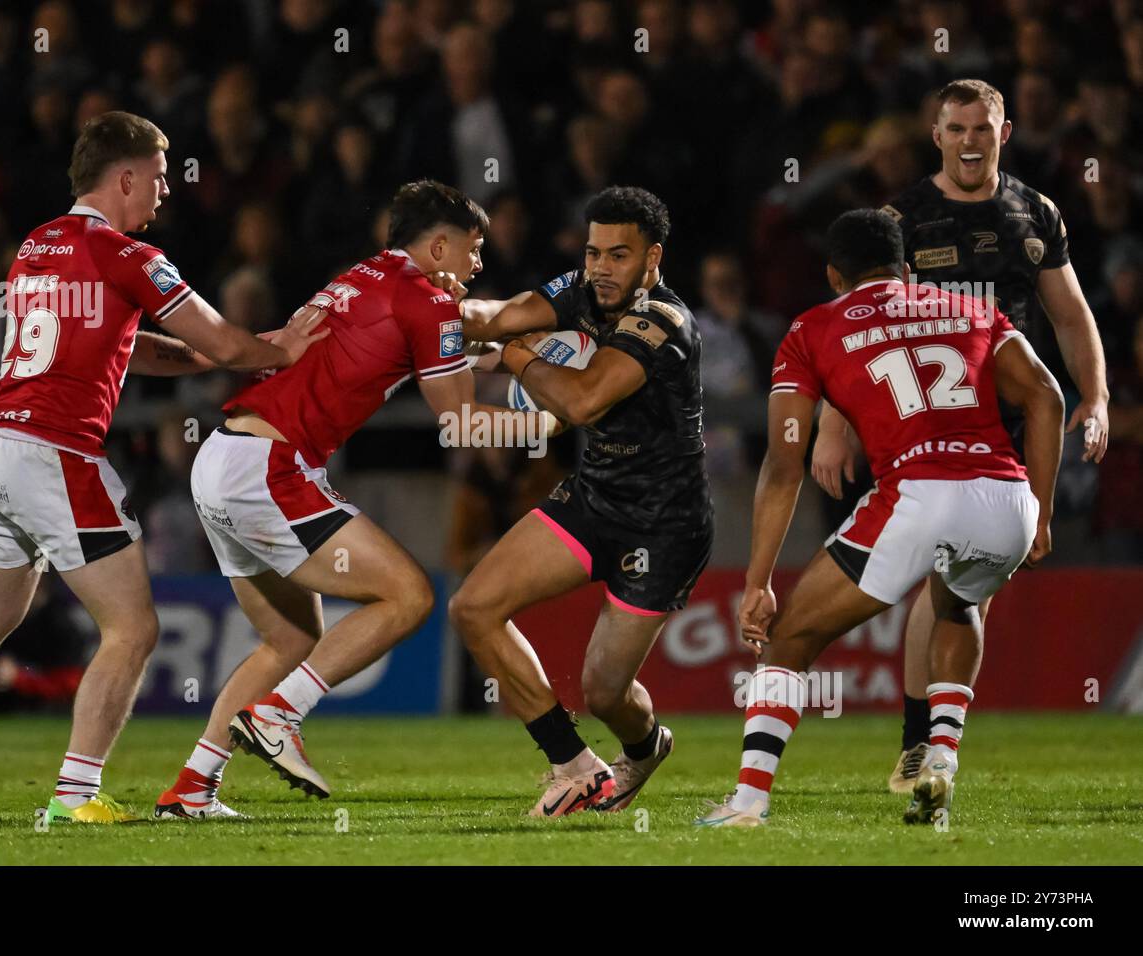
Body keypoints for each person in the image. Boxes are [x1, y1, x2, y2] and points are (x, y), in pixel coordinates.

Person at [0, 111, 326, 825]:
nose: (166, 192)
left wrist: (218, 352)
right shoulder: (132, 257)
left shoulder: (36, 245)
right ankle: (76, 797)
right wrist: (281, 348)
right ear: (127, 177)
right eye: (161, 178)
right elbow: (227, 344)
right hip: (56, 454)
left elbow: (127, 346)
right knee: (133, 628)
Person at [154, 180, 555, 819]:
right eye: (473, 251)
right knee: (410, 595)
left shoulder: (367, 275)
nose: (477, 266)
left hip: (226, 457)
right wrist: (551, 423)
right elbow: (460, 421)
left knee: (290, 640)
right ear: (441, 245)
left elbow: (438, 347)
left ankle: (192, 787)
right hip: (270, 467)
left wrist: (503, 350)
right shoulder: (425, 300)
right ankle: (281, 715)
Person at [696, 209, 1063, 827]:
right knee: (956, 606)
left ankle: (748, 803)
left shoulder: (812, 328)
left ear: (834, 275)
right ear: (909, 267)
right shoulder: (969, 309)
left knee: (790, 639)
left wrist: (758, 580)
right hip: (1007, 499)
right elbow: (1047, 397)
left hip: (919, 493)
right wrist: (1043, 516)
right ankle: (940, 759)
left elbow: (784, 466)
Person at [808, 80, 1109, 794]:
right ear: (935, 135)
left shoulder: (1034, 212)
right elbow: (853, 322)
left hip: (1008, 426)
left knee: (955, 590)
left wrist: (1094, 397)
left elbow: (1069, 314)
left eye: (983, 128)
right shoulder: (901, 217)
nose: (970, 140)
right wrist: (831, 424)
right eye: (956, 128)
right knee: (948, 590)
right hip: (917, 424)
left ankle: (922, 748)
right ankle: (928, 747)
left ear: (1004, 134)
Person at [449, 186, 712, 817]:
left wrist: (512, 356)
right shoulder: (581, 289)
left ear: (653, 258)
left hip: (663, 526)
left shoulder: (664, 322)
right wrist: (422, 302)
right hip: (594, 500)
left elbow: (584, 401)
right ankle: (574, 765)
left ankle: (644, 749)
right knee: (474, 607)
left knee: (603, 691)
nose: (600, 268)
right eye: (593, 252)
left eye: (618, 256)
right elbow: (496, 314)